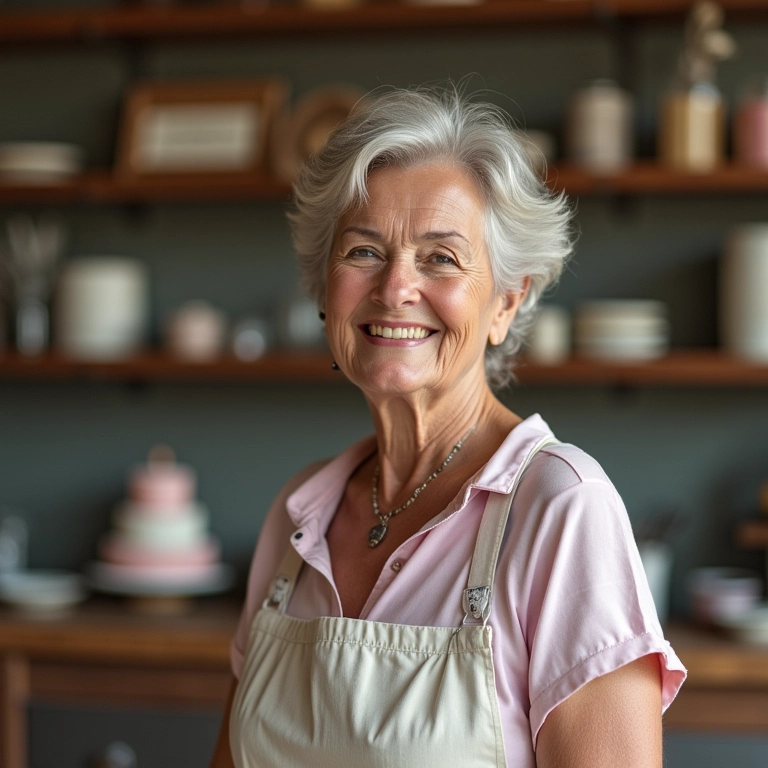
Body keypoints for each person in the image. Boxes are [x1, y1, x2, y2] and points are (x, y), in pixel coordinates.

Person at [210, 86, 686, 768]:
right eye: (364, 252)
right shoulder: (297, 516)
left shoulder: (560, 508)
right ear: (324, 289)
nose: (395, 287)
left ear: (506, 302)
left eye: (440, 257)